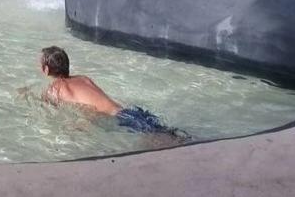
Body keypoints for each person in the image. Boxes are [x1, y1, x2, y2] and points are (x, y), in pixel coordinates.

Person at [39, 45, 188, 139]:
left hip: (121, 120)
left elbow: (45, 105)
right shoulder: (83, 78)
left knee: (161, 141)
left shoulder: (56, 88)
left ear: (46, 70)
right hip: (128, 111)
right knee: (168, 133)